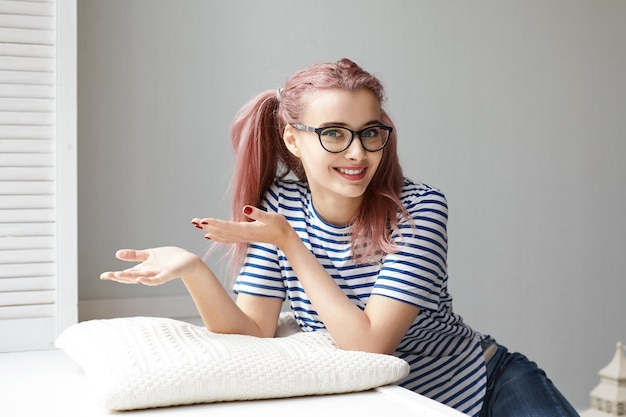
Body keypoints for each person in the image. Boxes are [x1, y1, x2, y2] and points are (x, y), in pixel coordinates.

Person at [100, 58, 579, 417]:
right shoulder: (281, 207)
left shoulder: (419, 208)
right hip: (395, 402)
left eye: (369, 133)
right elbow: (253, 330)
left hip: (485, 385)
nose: (357, 153)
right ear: (293, 140)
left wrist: (291, 245)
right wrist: (193, 270)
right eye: (333, 133)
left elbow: (370, 345)